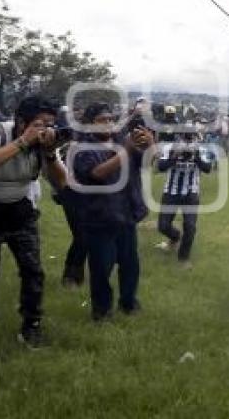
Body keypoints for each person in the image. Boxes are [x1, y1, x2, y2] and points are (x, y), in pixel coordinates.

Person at [0, 96, 66, 367]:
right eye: (39, 124)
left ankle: (32, 326)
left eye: (50, 125)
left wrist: (51, 152)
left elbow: (62, 182)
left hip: (19, 207)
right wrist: (21, 142)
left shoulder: (43, 144)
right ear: (20, 121)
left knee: (33, 270)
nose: (45, 130)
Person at [72, 102, 153, 321]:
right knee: (101, 269)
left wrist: (149, 145)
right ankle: (102, 311)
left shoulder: (120, 141)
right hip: (99, 219)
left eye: (110, 119)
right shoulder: (81, 148)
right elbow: (97, 173)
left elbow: (146, 163)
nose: (107, 123)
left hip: (126, 215)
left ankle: (129, 303)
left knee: (130, 266)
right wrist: (126, 150)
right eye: (101, 120)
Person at [155, 131, 213, 267]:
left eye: (190, 137)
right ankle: (175, 238)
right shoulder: (169, 148)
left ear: (195, 137)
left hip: (191, 192)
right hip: (171, 191)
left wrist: (196, 156)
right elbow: (161, 167)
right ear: (179, 137)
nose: (188, 141)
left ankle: (183, 258)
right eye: (184, 136)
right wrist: (175, 156)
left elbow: (208, 169)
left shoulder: (201, 149)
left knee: (190, 226)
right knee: (163, 226)